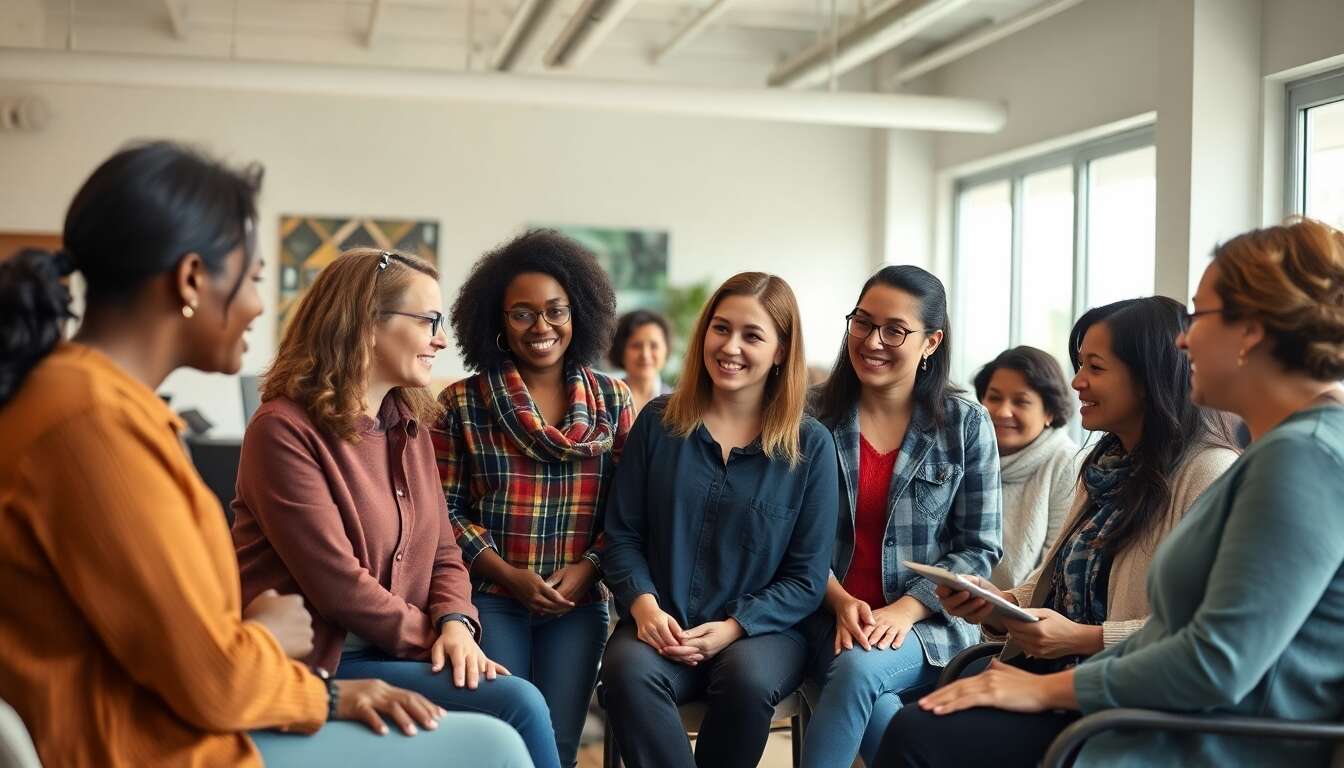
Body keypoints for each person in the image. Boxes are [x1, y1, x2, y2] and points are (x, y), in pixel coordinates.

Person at [0, 142, 530, 767]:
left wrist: (448, 625)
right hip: (159, 746)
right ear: (193, 279)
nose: (259, 306)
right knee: (495, 745)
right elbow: (213, 677)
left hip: (184, 717)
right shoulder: (94, 426)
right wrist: (295, 665)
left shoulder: (95, 407)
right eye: (253, 278)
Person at [878, 292, 1254, 768]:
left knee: (919, 730)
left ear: (1148, 376)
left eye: (1095, 368)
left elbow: (1198, 633)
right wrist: (997, 606)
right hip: (1049, 675)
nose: (1077, 382)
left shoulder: (1209, 472)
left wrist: (1084, 638)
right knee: (918, 721)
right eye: (1079, 365)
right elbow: (1050, 583)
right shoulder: (1104, 464)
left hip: (1116, 701)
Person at [231, 248, 560, 768]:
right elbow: (339, 586)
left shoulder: (408, 424)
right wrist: (436, 639)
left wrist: (457, 624)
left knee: (510, 701)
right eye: (428, 320)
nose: (442, 339)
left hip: (393, 653)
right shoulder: (282, 430)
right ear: (366, 323)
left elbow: (445, 552)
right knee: (516, 703)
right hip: (321, 666)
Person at [599, 272, 838, 768]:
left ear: (780, 351)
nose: (730, 346)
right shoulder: (659, 424)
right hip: (659, 620)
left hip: (763, 634)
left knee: (747, 682)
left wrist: (734, 626)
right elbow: (622, 534)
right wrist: (643, 608)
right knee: (624, 672)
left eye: (752, 336)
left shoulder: (810, 445)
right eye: (721, 328)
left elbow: (807, 577)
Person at [433, 229, 634, 768]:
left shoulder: (615, 400)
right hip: (493, 597)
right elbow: (444, 511)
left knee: (558, 745)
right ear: (497, 321)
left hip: (578, 603)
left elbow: (628, 511)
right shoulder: (460, 403)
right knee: (501, 744)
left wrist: (590, 566)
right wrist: (505, 573)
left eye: (555, 311)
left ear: (579, 313)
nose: (541, 327)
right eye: (522, 314)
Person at [798, 265, 1002, 768]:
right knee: (873, 699)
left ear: (931, 342)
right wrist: (842, 601)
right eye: (862, 323)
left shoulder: (965, 424)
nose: (873, 341)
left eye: (896, 330)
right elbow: (786, 536)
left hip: (926, 626)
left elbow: (980, 548)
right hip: (824, 617)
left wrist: (905, 610)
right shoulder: (809, 415)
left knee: (857, 675)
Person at [972, 346, 1078, 589]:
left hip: (1025, 615)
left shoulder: (1068, 463)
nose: (1003, 411)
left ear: (1049, 411)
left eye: (1021, 401)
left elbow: (1057, 566)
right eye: (994, 398)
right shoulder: (966, 453)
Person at [610, 308, 673, 416]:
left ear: (666, 349)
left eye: (654, 346)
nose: (645, 354)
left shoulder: (678, 405)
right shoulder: (606, 400)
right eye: (636, 346)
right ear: (620, 350)